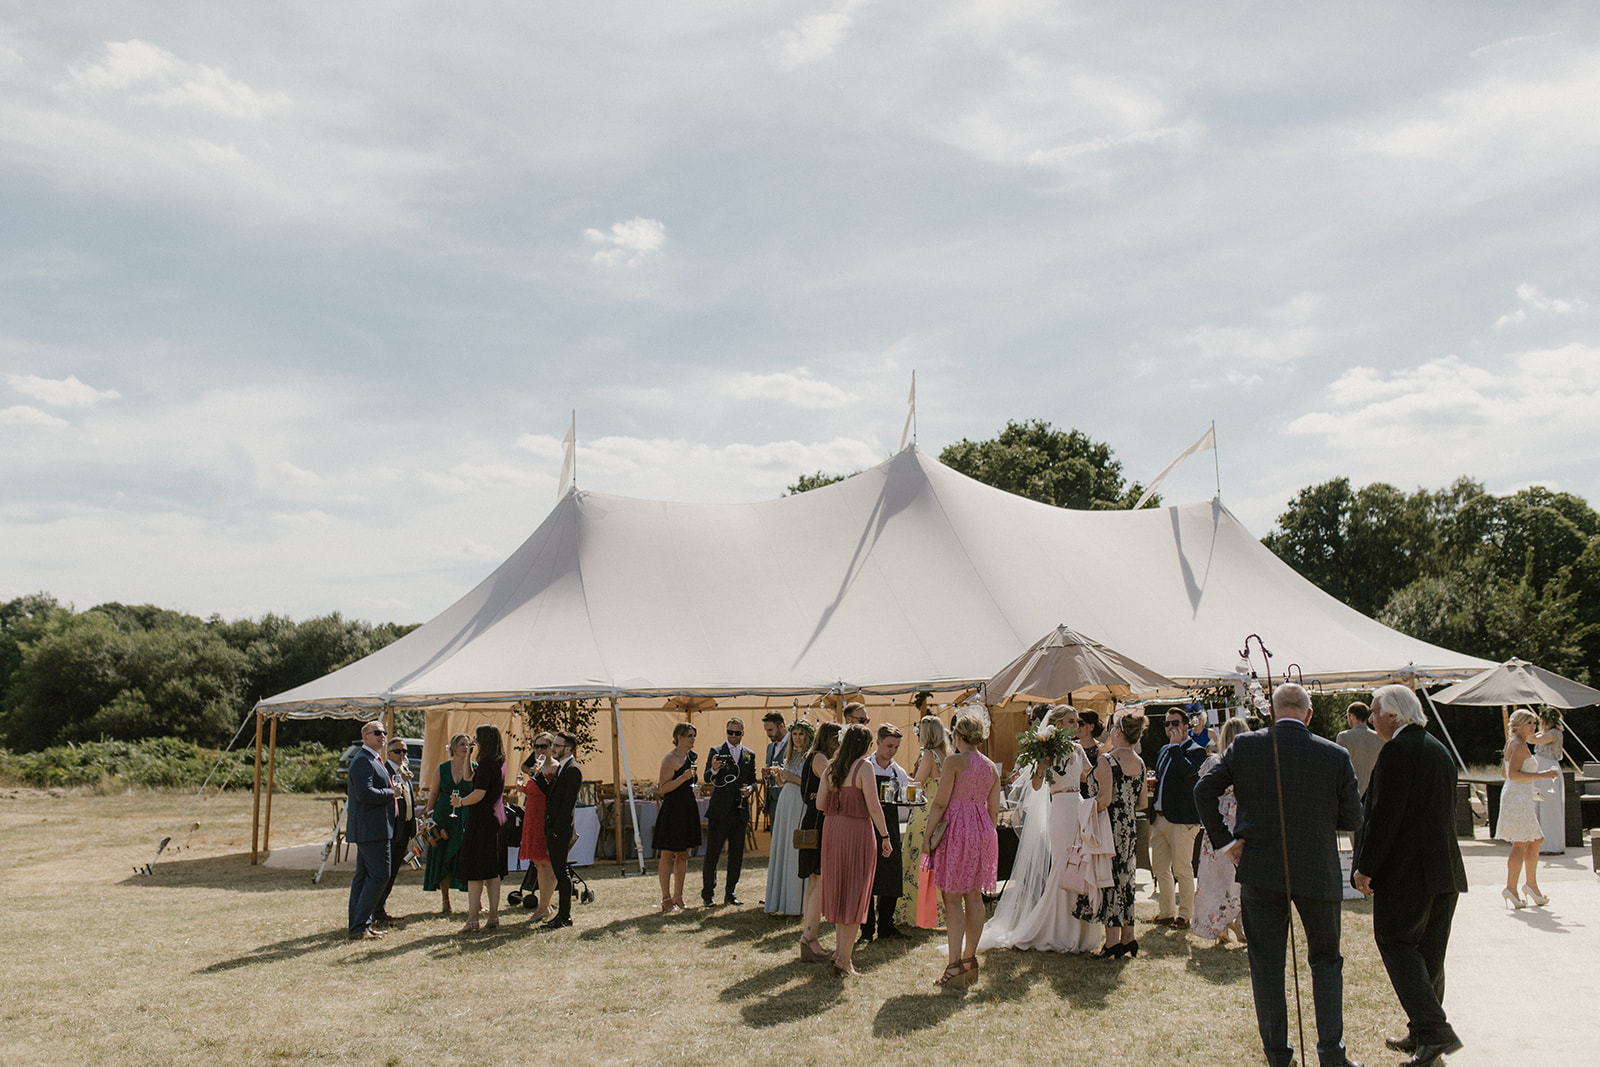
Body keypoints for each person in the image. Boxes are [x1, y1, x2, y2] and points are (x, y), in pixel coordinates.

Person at [1196, 685, 1363, 1067]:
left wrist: (1227, 842)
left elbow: (1204, 790)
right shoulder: (1334, 755)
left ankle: (1277, 1055)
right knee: (1326, 960)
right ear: (1308, 714)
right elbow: (1353, 818)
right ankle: (1332, 1055)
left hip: (1260, 867)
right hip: (1316, 867)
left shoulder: (1246, 747)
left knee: (1267, 963)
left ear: (1271, 712)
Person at [1352, 684, 1468, 1067]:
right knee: (1430, 953)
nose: (1371, 719)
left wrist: (1365, 868)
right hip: (1444, 870)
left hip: (1407, 873)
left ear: (1394, 715)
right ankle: (1422, 1030)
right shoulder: (1439, 750)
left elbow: (1384, 818)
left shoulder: (1398, 752)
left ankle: (1434, 1031)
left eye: (1375, 711)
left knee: (1395, 941)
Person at [982, 706, 1098, 953]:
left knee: (1080, 864)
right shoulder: (1048, 751)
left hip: (1078, 807)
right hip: (1060, 810)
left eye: (1077, 721)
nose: (1076, 725)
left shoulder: (1078, 750)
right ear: (1057, 723)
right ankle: (1053, 928)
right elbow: (1036, 786)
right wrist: (1042, 762)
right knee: (1061, 867)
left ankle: (1077, 928)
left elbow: (1089, 776)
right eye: (1070, 720)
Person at [925, 706, 1000, 986]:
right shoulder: (990, 766)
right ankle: (969, 958)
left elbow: (940, 802)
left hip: (957, 829)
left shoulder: (954, 762)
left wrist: (927, 836)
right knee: (974, 896)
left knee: (953, 898)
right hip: (983, 830)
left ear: (957, 735)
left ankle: (954, 963)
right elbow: (993, 810)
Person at [819, 722, 894, 976]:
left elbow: (820, 803)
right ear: (866, 745)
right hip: (856, 832)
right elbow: (874, 806)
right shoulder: (864, 767)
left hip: (832, 831)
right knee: (854, 891)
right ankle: (844, 959)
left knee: (839, 890)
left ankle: (841, 955)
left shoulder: (830, 767)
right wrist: (885, 835)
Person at [1074, 709, 1146, 958]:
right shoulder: (1139, 762)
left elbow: (1103, 799)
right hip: (1130, 827)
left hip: (1109, 827)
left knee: (1109, 878)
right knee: (1126, 879)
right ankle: (1130, 936)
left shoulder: (1107, 761)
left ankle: (1113, 941)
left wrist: (1085, 806)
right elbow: (1142, 802)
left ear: (1117, 732)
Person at [1190, 716, 1249, 946]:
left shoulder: (1213, 763)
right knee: (1240, 879)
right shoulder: (1249, 764)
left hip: (1218, 827)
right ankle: (1238, 921)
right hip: (1241, 824)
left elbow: (1202, 791)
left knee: (1215, 880)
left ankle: (1221, 925)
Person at [1495, 709, 1560, 909]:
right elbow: (1513, 774)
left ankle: (1529, 885)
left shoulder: (1511, 743)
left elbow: (1504, 773)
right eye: (1530, 723)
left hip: (1518, 795)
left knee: (1534, 839)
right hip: (1517, 797)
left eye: (1534, 722)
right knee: (1521, 842)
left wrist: (1528, 789)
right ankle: (1512, 888)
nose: (1534, 726)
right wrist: (1543, 775)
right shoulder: (1519, 744)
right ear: (1520, 725)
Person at [1150, 706, 1208, 929]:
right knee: (1160, 868)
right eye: (1167, 724)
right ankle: (1166, 912)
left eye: (1175, 723)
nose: (1171, 728)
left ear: (1186, 726)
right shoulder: (1165, 749)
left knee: (1182, 869)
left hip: (1183, 820)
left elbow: (1187, 772)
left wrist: (1176, 747)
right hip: (1161, 817)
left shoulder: (1196, 750)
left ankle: (1185, 915)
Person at [452, 723, 507, 932]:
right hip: (496, 818)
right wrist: (469, 756)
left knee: (475, 872)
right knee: (493, 871)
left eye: (476, 738)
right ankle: (493, 915)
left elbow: (478, 794)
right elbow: (468, 777)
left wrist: (460, 802)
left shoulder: (486, 764)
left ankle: (472, 918)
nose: (473, 741)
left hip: (482, 821)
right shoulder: (499, 762)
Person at [345, 721, 396, 940]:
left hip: (373, 827)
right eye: (377, 733)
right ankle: (359, 925)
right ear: (365, 737)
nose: (382, 736)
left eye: (384, 732)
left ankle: (359, 926)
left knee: (363, 877)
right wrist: (391, 793)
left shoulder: (373, 760)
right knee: (380, 876)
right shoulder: (363, 761)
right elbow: (364, 794)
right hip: (371, 829)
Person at [701, 716, 758, 907]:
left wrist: (751, 789)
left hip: (739, 812)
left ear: (743, 733)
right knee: (713, 855)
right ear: (726, 732)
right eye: (730, 732)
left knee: (736, 855)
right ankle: (708, 894)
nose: (733, 736)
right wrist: (715, 769)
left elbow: (754, 780)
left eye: (737, 732)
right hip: (719, 811)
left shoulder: (750, 754)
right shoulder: (716, 751)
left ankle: (730, 892)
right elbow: (707, 777)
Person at [899, 714, 949, 929]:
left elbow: (917, 784)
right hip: (944, 812)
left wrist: (901, 775)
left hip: (926, 811)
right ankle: (939, 910)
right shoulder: (947, 755)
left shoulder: (929, 755)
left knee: (918, 861)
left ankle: (917, 911)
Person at [798, 722, 843, 962]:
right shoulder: (820, 759)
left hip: (815, 820)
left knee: (816, 881)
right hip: (819, 822)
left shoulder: (816, 756)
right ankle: (810, 938)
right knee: (820, 880)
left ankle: (809, 936)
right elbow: (834, 783)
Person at [861, 723, 910, 941]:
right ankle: (866, 928)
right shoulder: (865, 766)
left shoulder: (897, 772)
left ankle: (886, 926)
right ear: (878, 742)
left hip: (890, 826)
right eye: (889, 745)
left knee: (890, 875)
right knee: (867, 879)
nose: (892, 750)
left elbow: (906, 799)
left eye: (896, 747)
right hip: (866, 826)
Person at [765, 720, 813, 916]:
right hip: (785, 800)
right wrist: (778, 775)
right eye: (795, 734)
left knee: (795, 849)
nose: (798, 737)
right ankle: (781, 898)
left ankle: (796, 902)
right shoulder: (790, 755)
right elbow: (782, 782)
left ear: (808, 737)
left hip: (799, 802)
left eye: (801, 734)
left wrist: (791, 778)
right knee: (783, 845)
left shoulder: (811, 757)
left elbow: (810, 784)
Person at [537, 730, 584, 930]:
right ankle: (563, 915)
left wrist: (556, 829)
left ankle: (564, 916)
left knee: (561, 873)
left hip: (561, 829)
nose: (553, 748)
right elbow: (553, 794)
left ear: (568, 748)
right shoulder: (563, 767)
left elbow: (567, 804)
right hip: (555, 827)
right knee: (560, 871)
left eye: (557, 745)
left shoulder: (572, 769)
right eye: (553, 745)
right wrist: (538, 777)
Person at [652, 723, 701, 914]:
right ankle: (666, 898)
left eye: (694, 735)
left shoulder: (691, 758)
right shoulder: (669, 759)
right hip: (673, 809)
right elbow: (662, 788)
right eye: (689, 735)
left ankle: (678, 896)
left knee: (683, 853)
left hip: (688, 807)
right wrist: (682, 778)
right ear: (679, 737)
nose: (693, 739)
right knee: (667, 854)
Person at [422, 733, 473, 914]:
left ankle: (475, 901)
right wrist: (429, 817)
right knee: (442, 855)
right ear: (452, 747)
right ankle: (445, 901)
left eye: (467, 744)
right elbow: (434, 793)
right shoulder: (442, 768)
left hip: (466, 816)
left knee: (467, 856)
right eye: (461, 744)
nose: (465, 747)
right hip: (444, 815)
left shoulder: (474, 768)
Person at [373, 736, 418, 927]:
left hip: (404, 828)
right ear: (389, 753)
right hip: (392, 828)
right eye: (398, 751)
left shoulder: (403, 772)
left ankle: (381, 909)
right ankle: (376, 911)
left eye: (405, 751)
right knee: (385, 871)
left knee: (392, 872)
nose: (402, 755)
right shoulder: (386, 771)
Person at [518, 732, 557, 921]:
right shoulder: (535, 769)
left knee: (547, 862)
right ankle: (545, 905)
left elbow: (551, 794)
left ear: (551, 748)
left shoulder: (555, 768)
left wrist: (539, 775)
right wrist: (524, 788)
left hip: (545, 818)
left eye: (543, 746)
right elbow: (535, 791)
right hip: (531, 817)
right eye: (536, 746)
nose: (539, 750)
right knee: (538, 863)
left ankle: (543, 907)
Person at [1531, 709, 1566, 854]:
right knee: (1538, 805)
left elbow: (1532, 740)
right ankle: (1538, 841)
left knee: (1549, 806)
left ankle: (1552, 844)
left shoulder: (1554, 733)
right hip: (1540, 768)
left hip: (1548, 767)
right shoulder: (1545, 733)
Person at [1336, 701, 1384, 797]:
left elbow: (1338, 765)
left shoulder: (1344, 737)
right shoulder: (1380, 738)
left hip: (1351, 791)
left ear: (1352, 716)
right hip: (1373, 791)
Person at [761, 711, 789, 830]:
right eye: (766, 730)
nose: (768, 734)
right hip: (772, 799)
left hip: (787, 799)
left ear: (781, 726)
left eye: (770, 730)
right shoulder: (770, 746)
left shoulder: (794, 743)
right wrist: (766, 775)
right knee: (775, 835)